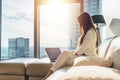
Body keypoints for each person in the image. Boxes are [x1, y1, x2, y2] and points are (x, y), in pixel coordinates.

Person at [42, 12, 98, 80]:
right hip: (83, 55)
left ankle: (48, 75)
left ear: (84, 22)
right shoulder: (90, 31)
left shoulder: (89, 33)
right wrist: (72, 52)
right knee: (64, 57)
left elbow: (81, 50)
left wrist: (71, 53)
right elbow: (81, 49)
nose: (79, 24)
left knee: (64, 55)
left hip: (86, 57)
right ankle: (51, 75)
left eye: (80, 22)